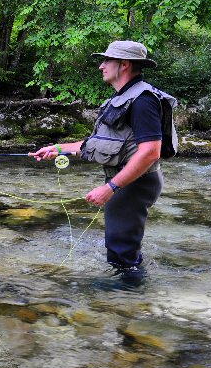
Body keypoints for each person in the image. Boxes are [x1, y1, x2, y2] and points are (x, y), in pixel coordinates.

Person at [31, 40, 178, 283]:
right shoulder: (124, 98)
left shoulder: (143, 101)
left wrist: (110, 188)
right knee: (119, 247)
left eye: (106, 60)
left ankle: (129, 300)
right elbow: (98, 144)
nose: (101, 66)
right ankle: (122, 302)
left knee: (122, 252)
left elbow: (151, 151)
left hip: (135, 183)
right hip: (128, 182)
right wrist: (58, 149)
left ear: (124, 64)